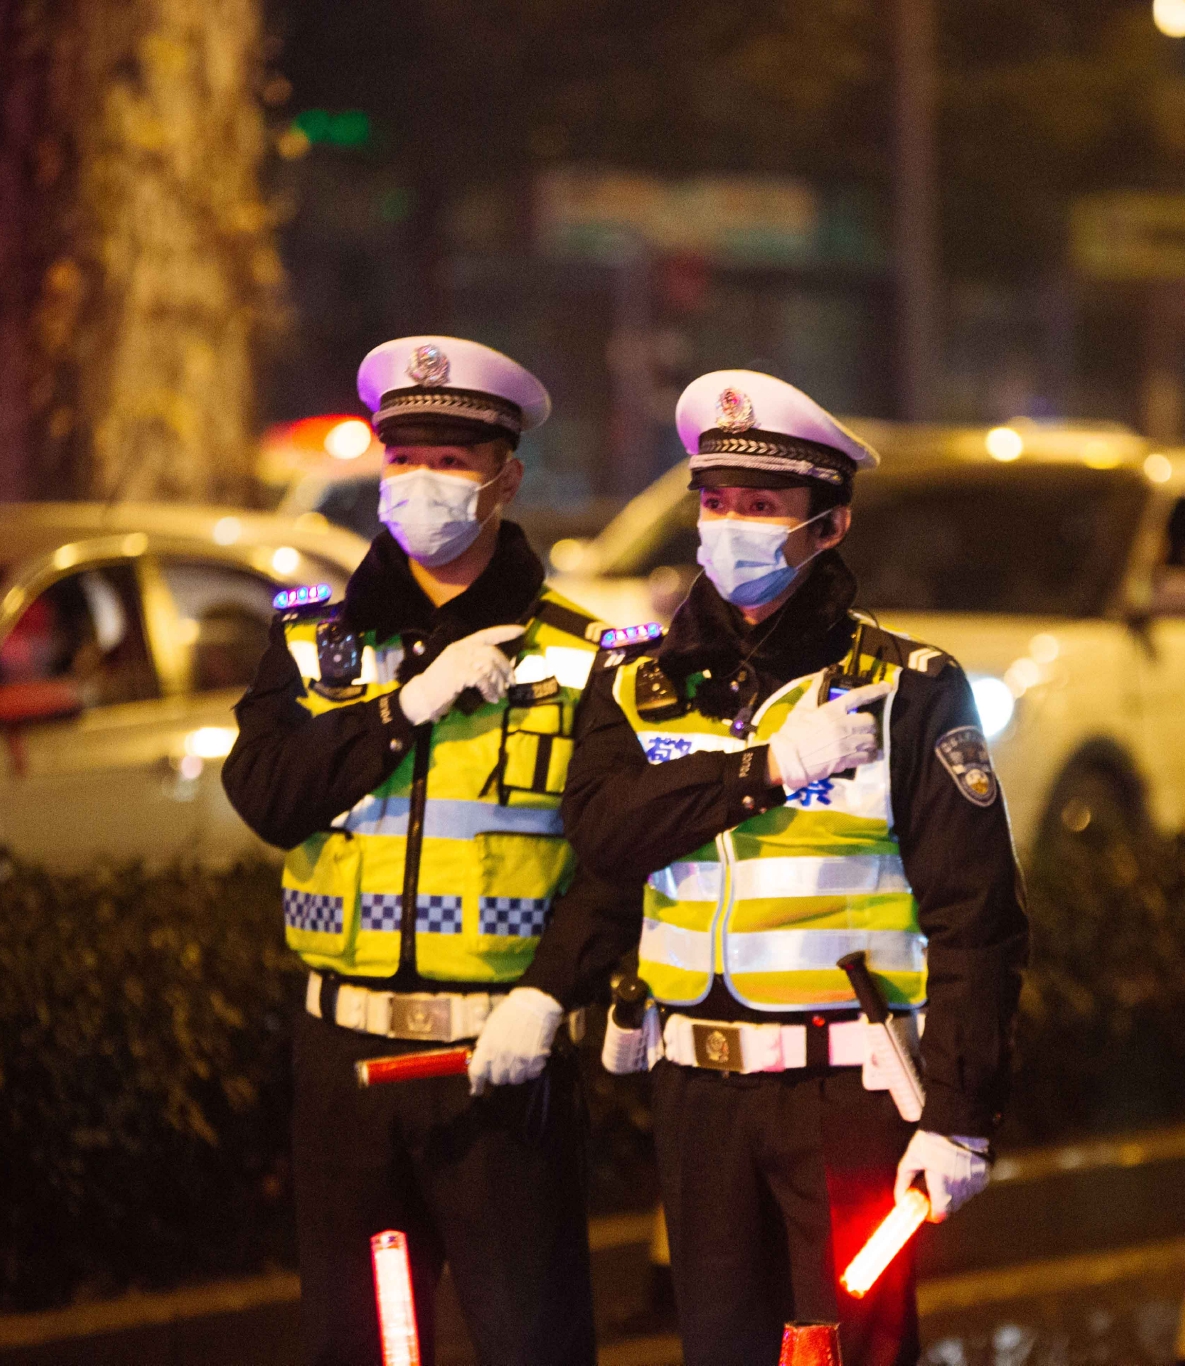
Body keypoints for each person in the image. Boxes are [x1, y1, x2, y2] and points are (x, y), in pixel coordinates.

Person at [561, 370, 1031, 1366]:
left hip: (847, 1099)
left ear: (829, 525)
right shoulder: (633, 682)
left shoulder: (909, 688)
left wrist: (959, 1116)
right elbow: (603, 835)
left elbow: (976, 915)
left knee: (853, 1353)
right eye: (716, 502)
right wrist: (766, 770)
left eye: (762, 506)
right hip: (696, 1090)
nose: (730, 525)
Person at [222, 336, 630, 1366]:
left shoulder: (580, 655)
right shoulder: (314, 642)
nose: (422, 481)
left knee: (530, 1346)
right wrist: (400, 709)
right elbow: (266, 796)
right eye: (404, 457)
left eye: (451, 460)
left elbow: (616, 858)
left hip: (499, 1063)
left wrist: (550, 995)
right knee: (359, 1349)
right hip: (344, 1067)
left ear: (506, 478)